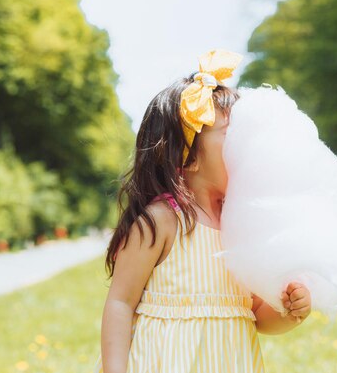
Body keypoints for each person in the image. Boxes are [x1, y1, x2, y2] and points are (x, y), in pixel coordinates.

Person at [93, 49, 312, 373]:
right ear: (188, 157)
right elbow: (121, 303)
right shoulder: (163, 221)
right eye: (231, 135)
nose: (247, 145)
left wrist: (289, 311)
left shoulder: (240, 227)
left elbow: (255, 315)